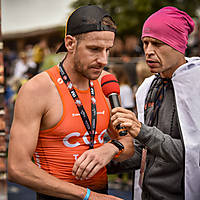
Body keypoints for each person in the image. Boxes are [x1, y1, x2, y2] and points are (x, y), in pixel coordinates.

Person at [8, 5, 134, 200]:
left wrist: (110, 148)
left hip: (103, 194)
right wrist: (89, 196)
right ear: (70, 43)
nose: (103, 59)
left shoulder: (107, 81)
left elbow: (127, 144)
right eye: (94, 49)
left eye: (108, 50)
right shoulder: (37, 89)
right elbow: (17, 168)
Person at [109, 6, 200, 200]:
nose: (148, 51)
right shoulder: (148, 87)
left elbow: (192, 158)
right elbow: (144, 152)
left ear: (178, 45)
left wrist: (141, 130)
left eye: (157, 44)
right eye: (145, 43)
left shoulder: (197, 85)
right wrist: (105, 159)